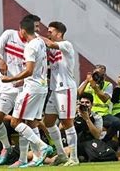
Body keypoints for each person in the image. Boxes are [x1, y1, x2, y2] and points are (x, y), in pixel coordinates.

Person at [0, 17, 53, 168]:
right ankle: (37, 158)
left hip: (32, 89)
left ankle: (42, 147)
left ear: (23, 31)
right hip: (41, 87)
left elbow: (29, 70)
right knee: (32, 123)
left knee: (15, 122)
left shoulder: (30, 46)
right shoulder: (41, 43)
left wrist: (10, 78)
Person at [0, 15, 31, 165]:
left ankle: (23, 159)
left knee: (21, 122)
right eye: (35, 27)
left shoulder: (34, 44)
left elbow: (35, 69)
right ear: (23, 28)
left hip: (23, 88)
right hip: (6, 86)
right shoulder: (9, 34)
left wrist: (23, 79)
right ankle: (6, 147)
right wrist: (1, 61)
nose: (36, 31)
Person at [42, 21, 79, 166]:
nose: (48, 33)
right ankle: (62, 154)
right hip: (54, 90)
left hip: (66, 89)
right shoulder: (52, 49)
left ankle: (74, 157)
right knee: (49, 122)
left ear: (59, 33)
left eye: (50, 31)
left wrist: (34, 35)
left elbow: (50, 44)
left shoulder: (66, 45)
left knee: (67, 122)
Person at [77, 65, 120, 144]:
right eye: (96, 74)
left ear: (104, 76)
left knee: (116, 122)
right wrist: (87, 80)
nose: (98, 76)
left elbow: (104, 99)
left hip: (103, 114)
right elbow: (78, 94)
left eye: (101, 74)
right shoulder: (87, 82)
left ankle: (104, 142)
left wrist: (95, 87)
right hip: (89, 112)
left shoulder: (108, 85)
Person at [73, 93, 103, 161]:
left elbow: (97, 136)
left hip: (89, 144)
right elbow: (61, 128)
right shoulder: (74, 115)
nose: (84, 105)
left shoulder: (96, 117)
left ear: (92, 105)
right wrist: (73, 114)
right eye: (82, 102)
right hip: (74, 142)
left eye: (87, 102)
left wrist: (87, 119)